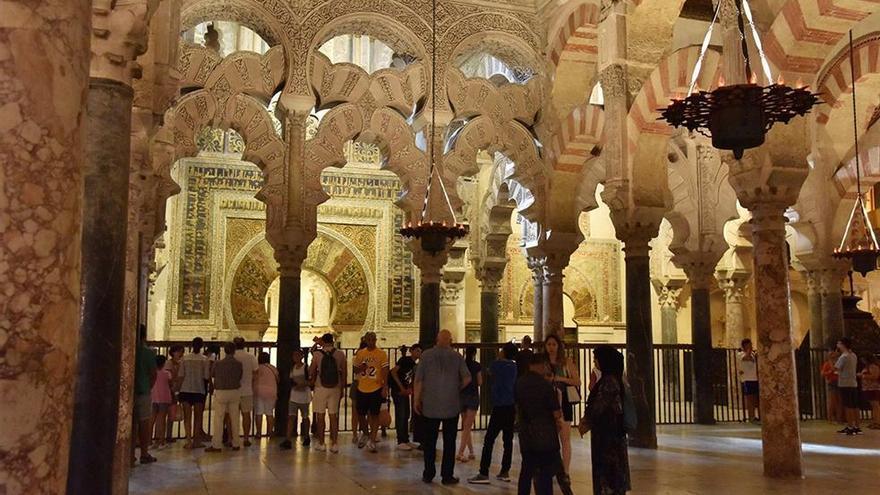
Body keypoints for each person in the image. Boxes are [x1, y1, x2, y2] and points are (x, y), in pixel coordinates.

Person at [414, 329, 471, 485]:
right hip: (451, 406)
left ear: (437, 340)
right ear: (450, 340)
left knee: (429, 442)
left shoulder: (426, 356)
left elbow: (418, 380)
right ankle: (447, 476)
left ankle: (428, 473)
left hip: (430, 406)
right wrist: (456, 387)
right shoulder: (457, 356)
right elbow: (467, 378)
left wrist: (416, 400)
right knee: (449, 442)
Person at [578, 345, 631, 495]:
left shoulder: (609, 381)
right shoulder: (610, 379)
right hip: (608, 435)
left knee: (609, 474)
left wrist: (586, 421)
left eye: (597, 358)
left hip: (609, 437)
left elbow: (599, 407)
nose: (595, 361)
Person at [469, 342, 518, 484]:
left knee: (489, 440)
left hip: (499, 407)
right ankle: (504, 471)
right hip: (510, 406)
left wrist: (498, 358)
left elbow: (490, 371)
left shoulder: (497, 365)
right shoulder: (514, 367)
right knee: (508, 441)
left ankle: (484, 472)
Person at [516, 352, 564, 495]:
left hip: (525, 432)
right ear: (541, 365)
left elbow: (517, 406)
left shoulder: (520, 382)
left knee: (526, 470)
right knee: (545, 472)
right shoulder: (545, 386)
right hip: (544, 434)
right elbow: (556, 412)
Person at [308, 333, 347, 453]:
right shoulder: (340, 354)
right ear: (333, 341)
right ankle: (334, 444)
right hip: (335, 387)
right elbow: (344, 373)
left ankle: (321, 443)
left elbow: (311, 371)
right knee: (333, 416)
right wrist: (342, 389)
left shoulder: (317, 354)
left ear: (323, 342)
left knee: (320, 416)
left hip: (320, 387)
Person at [353, 331, 389, 453]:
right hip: (362, 387)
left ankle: (372, 439)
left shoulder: (381, 354)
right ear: (365, 341)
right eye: (369, 340)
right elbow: (355, 369)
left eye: (373, 340)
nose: (371, 342)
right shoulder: (360, 353)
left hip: (376, 387)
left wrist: (385, 386)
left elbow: (385, 369)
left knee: (375, 414)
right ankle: (365, 433)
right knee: (361, 414)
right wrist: (360, 368)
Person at [206, 342, 243, 452]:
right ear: (234, 351)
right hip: (235, 391)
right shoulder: (238, 364)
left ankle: (216, 444)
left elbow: (212, 374)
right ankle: (236, 443)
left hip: (221, 391)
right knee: (235, 418)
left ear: (224, 351)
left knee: (219, 419)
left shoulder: (218, 363)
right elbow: (240, 376)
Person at [179, 337, 211, 448]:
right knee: (198, 417)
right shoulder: (204, 359)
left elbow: (181, 375)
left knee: (187, 417)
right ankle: (196, 441)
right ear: (202, 346)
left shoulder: (184, 359)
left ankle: (188, 441)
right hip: (199, 390)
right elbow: (206, 376)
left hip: (185, 389)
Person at [390, 342, 422, 450]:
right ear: (411, 351)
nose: (419, 353)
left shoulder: (415, 365)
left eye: (420, 351)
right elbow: (394, 372)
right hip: (398, 391)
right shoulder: (404, 360)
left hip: (404, 391)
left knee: (406, 414)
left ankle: (405, 439)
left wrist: (408, 389)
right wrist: (401, 387)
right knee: (401, 414)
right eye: (417, 350)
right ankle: (400, 440)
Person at [134, 326, 157, 464]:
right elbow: (153, 374)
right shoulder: (148, 353)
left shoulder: (127, 349)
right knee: (144, 423)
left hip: (129, 393)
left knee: (130, 424)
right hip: (143, 391)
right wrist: (148, 387)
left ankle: (129, 454)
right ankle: (144, 453)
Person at [283, 348, 312, 449]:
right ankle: (288, 439)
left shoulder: (306, 368)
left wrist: (302, 384)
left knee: (305, 416)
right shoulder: (293, 368)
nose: (295, 357)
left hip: (304, 396)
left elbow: (310, 381)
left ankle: (307, 436)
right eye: (294, 355)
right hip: (294, 396)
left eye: (297, 355)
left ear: (301, 356)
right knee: (291, 417)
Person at [232, 337, 258, 446]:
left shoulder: (231, 356)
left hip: (233, 390)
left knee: (231, 416)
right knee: (246, 415)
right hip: (247, 390)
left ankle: (232, 438)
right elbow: (256, 373)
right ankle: (246, 438)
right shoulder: (251, 357)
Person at [457, 346, 482, 462]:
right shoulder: (477, 365)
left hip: (462, 396)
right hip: (472, 396)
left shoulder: (461, 365)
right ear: (475, 353)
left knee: (466, 426)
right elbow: (480, 382)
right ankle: (461, 452)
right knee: (467, 426)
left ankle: (471, 451)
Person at [835, 337, 861, 435]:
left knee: (847, 405)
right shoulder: (853, 355)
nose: (837, 345)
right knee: (855, 405)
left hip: (845, 383)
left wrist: (832, 358)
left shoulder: (843, 356)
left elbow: (836, 367)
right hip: (853, 383)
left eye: (838, 343)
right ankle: (857, 426)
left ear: (843, 344)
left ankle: (850, 426)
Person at [254, 351, 279, 442]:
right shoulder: (273, 368)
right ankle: (270, 432)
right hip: (271, 392)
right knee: (269, 413)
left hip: (258, 391)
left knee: (259, 413)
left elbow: (253, 379)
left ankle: (258, 433)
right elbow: (278, 379)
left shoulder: (257, 368)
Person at [150, 355, 173, 450]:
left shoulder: (152, 373)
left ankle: (150, 440)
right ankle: (161, 441)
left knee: (152, 419)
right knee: (162, 420)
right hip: (164, 398)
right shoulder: (167, 373)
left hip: (154, 397)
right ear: (164, 363)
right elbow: (171, 384)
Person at [737, 338, 759, 423]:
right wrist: (749, 351)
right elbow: (746, 358)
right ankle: (751, 417)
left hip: (755, 378)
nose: (751, 346)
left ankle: (755, 415)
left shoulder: (753, 354)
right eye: (749, 344)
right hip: (747, 379)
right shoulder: (740, 354)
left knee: (755, 399)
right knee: (750, 399)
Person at [820, 350, 842, 423]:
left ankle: (839, 418)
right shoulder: (827, 364)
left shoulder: (838, 363)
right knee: (832, 401)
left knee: (839, 401)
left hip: (839, 381)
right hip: (832, 382)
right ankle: (830, 418)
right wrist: (829, 372)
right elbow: (823, 373)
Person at [859, 354, 880, 429]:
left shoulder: (873, 366)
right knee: (873, 406)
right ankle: (875, 421)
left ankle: (878, 422)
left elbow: (875, 376)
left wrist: (864, 376)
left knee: (876, 405)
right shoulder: (867, 366)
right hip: (868, 388)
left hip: (873, 388)